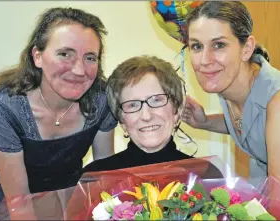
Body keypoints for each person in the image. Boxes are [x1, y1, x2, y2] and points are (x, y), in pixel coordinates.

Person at [0, 7, 117, 220]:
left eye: (90, 57)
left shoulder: (101, 101)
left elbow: (105, 178)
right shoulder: (5, 113)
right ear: (37, 56)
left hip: (63, 176)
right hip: (7, 187)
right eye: (64, 54)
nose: (80, 70)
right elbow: (20, 207)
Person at [182, 1, 280, 194]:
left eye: (219, 45)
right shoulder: (231, 84)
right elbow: (251, 122)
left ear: (246, 49)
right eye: (196, 46)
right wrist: (205, 122)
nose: (205, 60)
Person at [83, 55, 222, 180]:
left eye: (156, 100)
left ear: (177, 110)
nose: (146, 116)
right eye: (132, 105)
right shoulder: (95, 178)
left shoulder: (205, 175)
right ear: (122, 121)